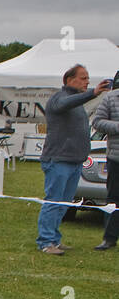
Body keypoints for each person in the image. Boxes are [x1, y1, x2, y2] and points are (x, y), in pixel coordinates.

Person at [36, 64, 112, 254]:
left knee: (65, 204)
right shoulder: (59, 99)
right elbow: (64, 104)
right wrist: (93, 93)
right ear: (70, 80)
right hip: (58, 161)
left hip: (75, 161)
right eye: (83, 78)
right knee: (54, 202)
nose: (87, 81)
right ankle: (45, 242)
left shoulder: (77, 103)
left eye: (88, 78)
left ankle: (54, 239)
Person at [93, 72, 119, 251]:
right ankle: (109, 239)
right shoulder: (110, 98)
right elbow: (97, 122)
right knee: (113, 198)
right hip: (116, 157)